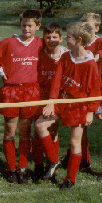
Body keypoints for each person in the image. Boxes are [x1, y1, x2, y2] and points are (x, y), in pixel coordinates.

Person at [39, 22, 100, 190]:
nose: (65, 39)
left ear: (79, 40)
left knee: (75, 142)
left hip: (79, 106)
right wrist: (51, 100)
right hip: (62, 99)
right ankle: (54, 161)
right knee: (40, 125)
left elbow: (95, 90)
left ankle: (70, 179)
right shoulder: (66, 57)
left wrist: (90, 112)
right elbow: (57, 80)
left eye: (69, 37)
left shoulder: (90, 63)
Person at [0, 10, 43, 184]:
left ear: (38, 26)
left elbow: (58, 51)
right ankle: (11, 168)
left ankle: (22, 168)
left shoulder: (41, 44)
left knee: (25, 132)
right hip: (11, 91)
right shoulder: (9, 42)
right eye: (24, 25)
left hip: (31, 92)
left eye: (30, 26)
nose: (26, 28)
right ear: (20, 24)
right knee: (10, 132)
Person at [61, 13, 102, 172]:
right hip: (86, 92)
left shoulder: (98, 42)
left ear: (96, 28)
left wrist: (85, 58)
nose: (85, 29)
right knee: (81, 129)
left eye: (89, 26)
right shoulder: (79, 44)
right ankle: (84, 160)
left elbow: (95, 59)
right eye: (82, 25)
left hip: (98, 90)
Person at [32, 22, 67, 181]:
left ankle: (52, 162)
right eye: (48, 36)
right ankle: (41, 165)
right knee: (38, 132)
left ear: (61, 38)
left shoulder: (66, 55)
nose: (51, 40)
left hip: (58, 97)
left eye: (54, 37)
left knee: (51, 129)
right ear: (43, 38)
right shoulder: (39, 52)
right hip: (40, 94)